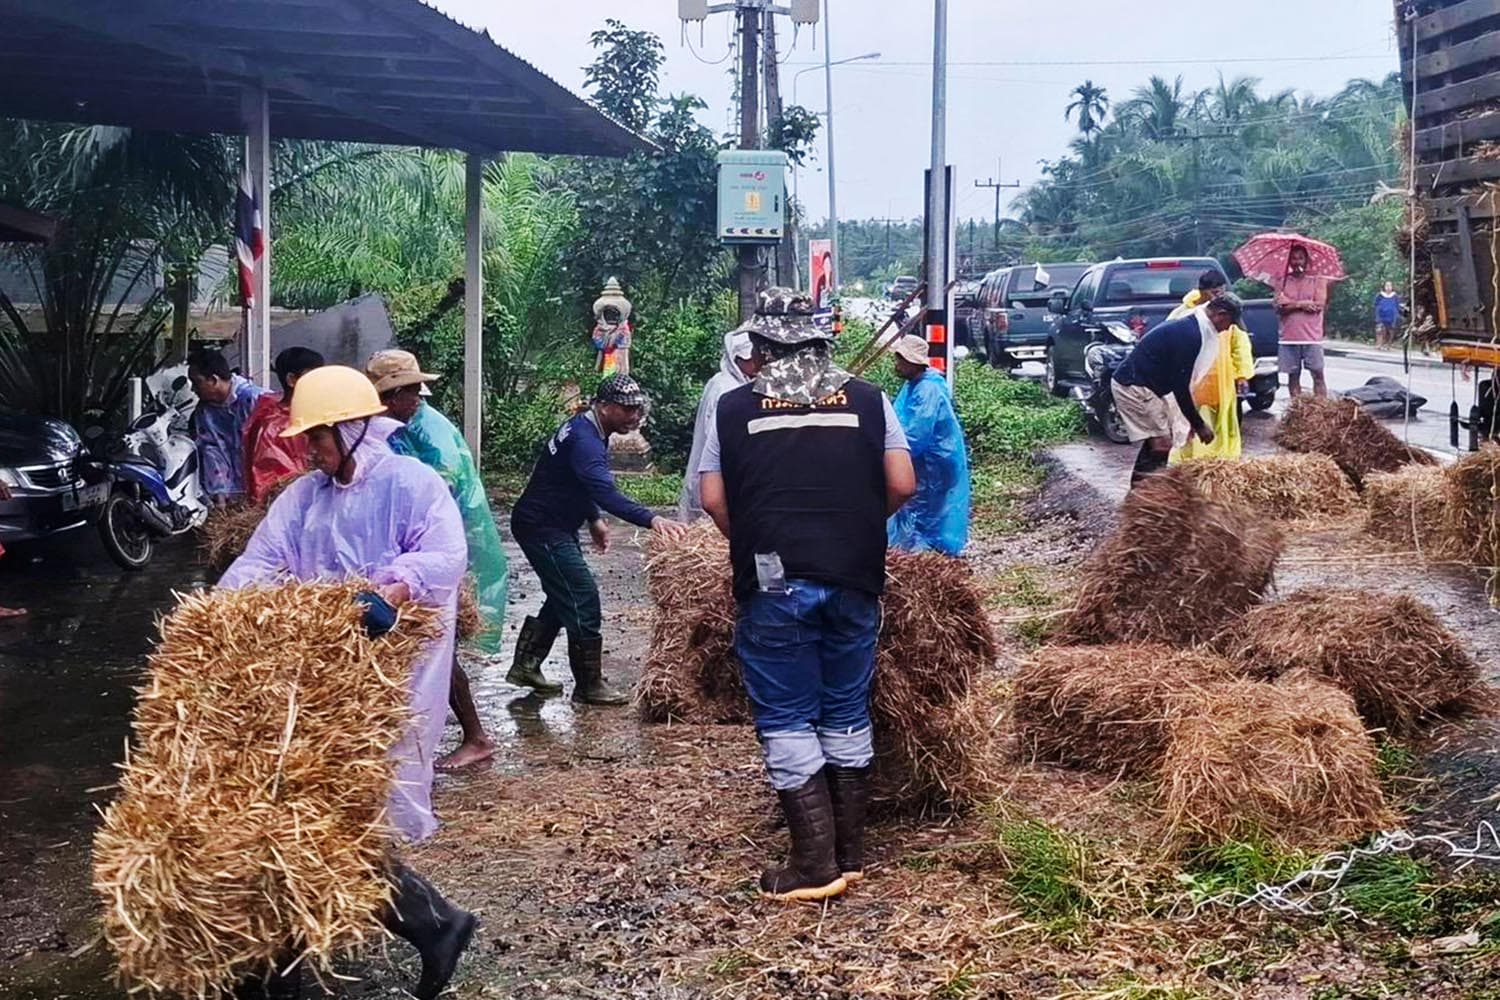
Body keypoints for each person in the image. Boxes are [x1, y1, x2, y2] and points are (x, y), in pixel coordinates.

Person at [219, 366, 475, 1000]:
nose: (311, 450)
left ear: (355, 429)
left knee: (325, 820)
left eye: (319, 437)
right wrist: (219, 616)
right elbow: (260, 560)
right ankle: (430, 926)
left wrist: (395, 587)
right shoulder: (304, 498)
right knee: (302, 817)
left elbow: (445, 554)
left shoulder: (410, 485)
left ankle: (280, 969)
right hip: (310, 680)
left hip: (383, 684)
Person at [698, 288, 917, 902]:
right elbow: (903, 483)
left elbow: (713, 498)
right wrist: (856, 528)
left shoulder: (733, 406)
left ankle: (814, 864)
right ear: (821, 339)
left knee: (787, 714)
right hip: (854, 575)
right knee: (845, 706)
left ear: (761, 345)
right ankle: (850, 854)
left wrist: (756, 539)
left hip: (774, 579)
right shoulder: (870, 399)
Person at [366, 349, 508, 771]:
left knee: (434, 644)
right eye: (410, 390)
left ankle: (476, 737)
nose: (417, 397)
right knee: (411, 645)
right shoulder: (391, 428)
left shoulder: (429, 431)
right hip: (405, 554)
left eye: (415, 390)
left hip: (436, 552)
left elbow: (437, 497)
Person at [509, 373, 688, 705]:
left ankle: (526, 665)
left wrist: (593, 518)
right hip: (542, 527)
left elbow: (579, 481)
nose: (635, 415)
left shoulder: (588, 428)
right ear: (604, 406)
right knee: (583, 597)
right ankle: (589, 686)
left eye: (637, 408)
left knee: (564, 594)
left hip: (553, 523)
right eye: (627, 409)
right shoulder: (586, 440)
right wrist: (653, 519)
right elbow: (605, 492)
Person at [1112, 294, 1243, 485]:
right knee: (1161, 444)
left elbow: (1181, 384)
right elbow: (1180, 386)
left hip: (1152, 386)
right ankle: (1145, 494)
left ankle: (1144, 493)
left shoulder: (1195, 326)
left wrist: (1188, 421)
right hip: (1134, 386)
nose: (1227, 329)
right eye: (1229, 323)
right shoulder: (1191, 334)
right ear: (1220, 315)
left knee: (1159, 442)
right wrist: (1199, 425)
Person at [886, 334, 970, 555]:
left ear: (912, 362)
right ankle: (921, 551)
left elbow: (915, 435)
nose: (897, 365)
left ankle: (930, 553)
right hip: (926, 461)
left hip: (934, 464)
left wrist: (890, 455)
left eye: (901, 361)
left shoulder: (927, 390)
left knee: (929, 513)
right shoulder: (915, 385)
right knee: (921, 512)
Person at [1167, 272, 1253, 463]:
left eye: (1221, 292)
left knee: (1223, 424)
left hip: (1222, 381)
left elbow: (1240, 346)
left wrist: (1241, 375)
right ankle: (1191, 462)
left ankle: (1222, 461)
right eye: (1214, 292)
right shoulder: (1184, 315)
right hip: (1194, 382)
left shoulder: (1227, 315)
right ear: (1201, 291)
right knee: (1191, 421)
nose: (1217, 296)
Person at [678, 327, 759, 521]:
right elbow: (721, 442)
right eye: (749, 359)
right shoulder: (726, 390)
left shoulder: (727, 383)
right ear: (735, 359)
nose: (755, 364)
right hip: (715, 476)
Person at [188, 348, 270, 505]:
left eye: (196, 382)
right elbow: (211, 450)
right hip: (233, 496)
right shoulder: (204, 412)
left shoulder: (256, 400)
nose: (193, 389)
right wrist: (219, 489)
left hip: (264, 488)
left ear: (213, 380)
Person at [242, 347, 323, 504]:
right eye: (314, 377)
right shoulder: (272, 427)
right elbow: (267, 481)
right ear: (292, 380)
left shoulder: (321, 413)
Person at [1277, 245, 1330, 399]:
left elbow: (1318, 305)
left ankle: (1321, 408)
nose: (1297, 262)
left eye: (1300, 258)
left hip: (1311, 337)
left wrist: (1290, 303)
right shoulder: (1283, 280)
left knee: (1318, 374)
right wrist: (1301, 304)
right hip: (1289, 337)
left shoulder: (1318, 279)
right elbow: (1279, 307)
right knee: (1293, 376)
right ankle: (1297, 408)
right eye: (1293, 258)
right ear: (1289, 261)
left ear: (1307, 260)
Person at [1375, 280, 1402, 347]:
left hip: (1391, 315)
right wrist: (1377, 313)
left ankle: (1388, 344)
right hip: (1382, 314)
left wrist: (1397, 314)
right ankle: (1379, 343)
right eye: (1387, 285)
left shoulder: (1395, 296)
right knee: (1380, 329)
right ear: (1384, 287)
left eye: (1390, 285)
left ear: (1392, 287)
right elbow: (1376, 304)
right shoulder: (1380, 295)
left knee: (1390, 330)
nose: (1388, 287)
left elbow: (1397, 305)